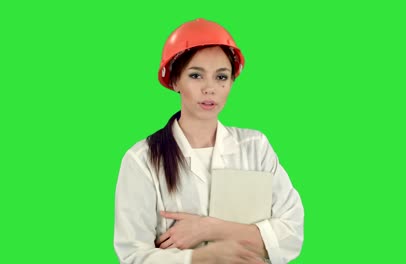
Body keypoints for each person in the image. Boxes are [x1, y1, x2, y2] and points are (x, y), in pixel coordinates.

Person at [114, 18, 304, 264]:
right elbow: (132, 256)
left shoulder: (255, 147)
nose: (210, 88)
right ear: (174, 81)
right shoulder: (142, 160)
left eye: (221, 77)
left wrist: (210, 229)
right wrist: (201, 258)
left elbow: (292, 232)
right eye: (196, 75)